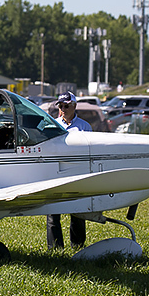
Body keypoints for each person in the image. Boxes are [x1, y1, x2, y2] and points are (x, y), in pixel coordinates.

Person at [47, 91, 92, 249]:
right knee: (53, 213)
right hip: (56, 172)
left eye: (66, 105)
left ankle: (78, 245)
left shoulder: (84, 127)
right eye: (61, 106)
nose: (63, 109)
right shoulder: (53, 124)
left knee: (77, 212)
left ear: (74, 106)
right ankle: (55, 248)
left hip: (76, 172)